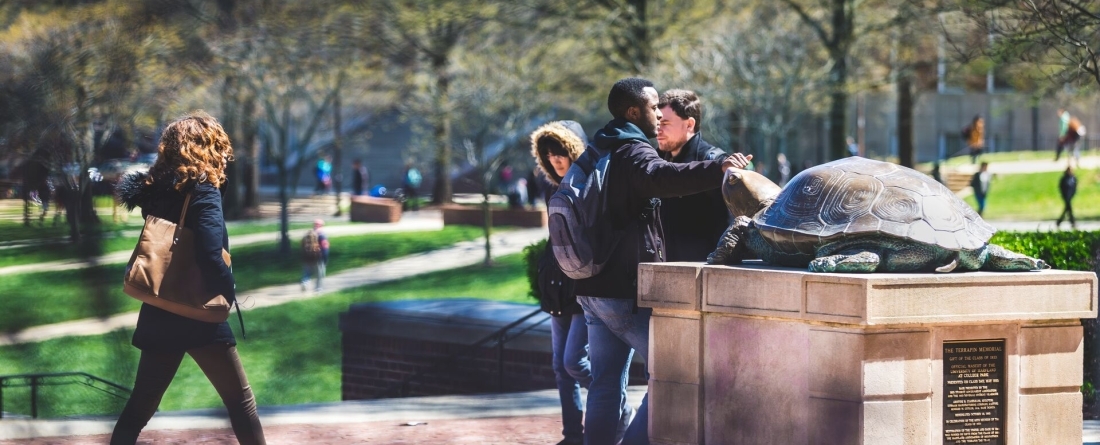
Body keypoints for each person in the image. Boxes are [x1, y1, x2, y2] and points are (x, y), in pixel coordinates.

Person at [576, 78, 751, 445]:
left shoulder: (598, 147)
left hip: (592, 285)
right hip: (623, 290)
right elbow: (663, 177)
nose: (658, 114)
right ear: (632, 111)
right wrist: (716, 167)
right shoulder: (633, 151)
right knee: (674, 371)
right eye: (654, 107)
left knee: (605, 382)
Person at [112, 111, 266, 444]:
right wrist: (229, 288)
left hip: (160, 306)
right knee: (241, 403)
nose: (225, 155)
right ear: (208, 147)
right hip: (201, 314)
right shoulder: (204, 191)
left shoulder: (157, 190)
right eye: (221, 147)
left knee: (140, 407)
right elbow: (210, 254)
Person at [531, 120, 629, 445]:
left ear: (575, 150)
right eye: (549, 154)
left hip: (583, 289)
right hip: (556, 290)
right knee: (560, 366)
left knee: (575, 362)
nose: (556, 160)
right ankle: (572, 435)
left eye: (561, 152)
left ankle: (617, 408)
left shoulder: (591, 185)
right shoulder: (550, 190)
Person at [654, 89, 738, 262]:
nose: (658, 130)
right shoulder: (655, 158)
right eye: (657, 123)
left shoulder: (715, 161)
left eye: (666, 123)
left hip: (704, 270)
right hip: (665, 267)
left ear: (689, 124)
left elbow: (731, 228)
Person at [300, 218, 330, 292]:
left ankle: (305, 283)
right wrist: (325, 260)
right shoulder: (322, 235)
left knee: (307, 273)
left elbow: (302, 245)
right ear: (322, 225)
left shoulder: (309, 234)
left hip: (308, 257)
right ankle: (318, 289)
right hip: (318, 258)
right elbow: (325, 248)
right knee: (319, 275)